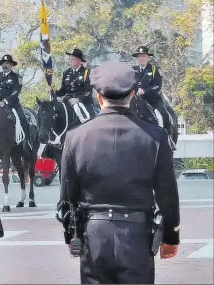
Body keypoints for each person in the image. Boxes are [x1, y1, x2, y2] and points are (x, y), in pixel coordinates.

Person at [57, 61, 180, 284]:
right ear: (133, 94)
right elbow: (167, 193)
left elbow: (67, 195)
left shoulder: (75, 137)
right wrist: (171, 236)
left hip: (94, 233)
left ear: (98, 97)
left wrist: (71, 235)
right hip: (137, 234)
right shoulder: (155, 136)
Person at [0, 54, 33, 155]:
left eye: (7, 63)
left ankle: (26, 142)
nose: (5, 65)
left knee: (22, 117)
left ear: (11, 65)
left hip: (12, 104)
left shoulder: (17, 77)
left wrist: (5, 101)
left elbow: (16, 92)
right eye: (3, 63)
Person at [47, 48, 96, 123]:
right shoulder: (66, 73)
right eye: (69, 59)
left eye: (72, 59)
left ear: (79, 60)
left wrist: (78, 99)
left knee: (88, 121)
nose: (70, 61)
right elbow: (62, 91)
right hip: (68, 102)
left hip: (83, 103)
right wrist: (52, 91)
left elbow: (88, 91)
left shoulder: (86, 72)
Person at [132, 46, 170, 134]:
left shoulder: (154, 69)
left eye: (143, 56)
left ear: (148, 57)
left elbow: (157, 86)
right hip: (135, 100)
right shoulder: (132, 70)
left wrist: (145, 91)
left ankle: (168, 139)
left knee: (164, 115)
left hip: (152, 100)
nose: (141, 58)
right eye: (139, 56)